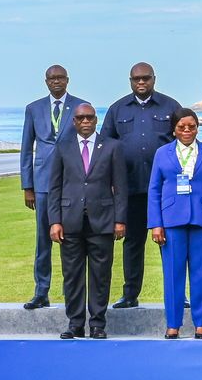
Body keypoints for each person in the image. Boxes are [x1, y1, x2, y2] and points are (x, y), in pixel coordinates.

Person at [101, 62, 180, 308]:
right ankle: (130, 295)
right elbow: (104, 149)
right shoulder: (117, 109)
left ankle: (178, 294)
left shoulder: (171, 107)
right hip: (130, 190)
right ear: (130, 81)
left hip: (166, 191)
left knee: (172, 243)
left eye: (146, 78)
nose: (141, 82)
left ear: (154, 79)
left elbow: (183, 145)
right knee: (133, 243)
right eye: (137, 79)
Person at [147, 108, 202, 340]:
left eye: (191, 126)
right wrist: (156, 224)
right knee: (173, 274)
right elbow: (154, 189)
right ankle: (173, 323)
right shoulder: (162, 153)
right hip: (172, 220)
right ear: (174, 129)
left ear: (197, 128)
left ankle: (201, 323)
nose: (187, 130)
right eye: (181, 127)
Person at [46, 104, 124, 339]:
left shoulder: (112, 146)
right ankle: (75, 323)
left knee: (101, 275)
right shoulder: (63, 147)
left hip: (102, 220)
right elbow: (54, 187)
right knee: (72, 275)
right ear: (74, 122)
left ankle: (97, 324)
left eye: (89, 117)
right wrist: (54, 221)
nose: (85, 121)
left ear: (96, 120)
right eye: (81, 118)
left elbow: (121, 188)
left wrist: (120, 220)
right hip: (70, 221)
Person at [19, 64, 85, 310]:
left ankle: (73, 292)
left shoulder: (80, 106)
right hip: (43, 183)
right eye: (52, 78)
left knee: (73, 239)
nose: (56, 81)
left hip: (72, 182)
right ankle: (41, 291)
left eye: (60, 78)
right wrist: (27, 185)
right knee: (43, 240)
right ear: (46, 82)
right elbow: (26, 148)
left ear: (67, 80)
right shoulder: (33, 108)